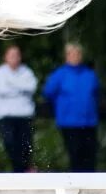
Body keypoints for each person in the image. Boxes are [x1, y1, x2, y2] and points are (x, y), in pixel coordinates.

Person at [43, 42, 100, 172]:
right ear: (67, 56)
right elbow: (48, 92)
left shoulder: (89, 74)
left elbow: (96, 93)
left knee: (90, 155)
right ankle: (76, 186)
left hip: (89, 121)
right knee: (75, 155)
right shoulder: (60, 74)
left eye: (78, 53)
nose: (75, 56)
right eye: (72, 53)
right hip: (69, 122)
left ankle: (91, 186)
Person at [0, 44, 37, 172]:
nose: (14, 58)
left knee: (26, 146)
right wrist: (21, 89)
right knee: (10, 145)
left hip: (24, 115)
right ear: (5, 57)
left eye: (16, 55)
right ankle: (18, 171)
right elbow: (1, 90)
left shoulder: (26, 72)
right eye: (11, 55)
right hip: (5, 116)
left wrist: (12, 86)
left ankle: (24, 170)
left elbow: (31, 88)